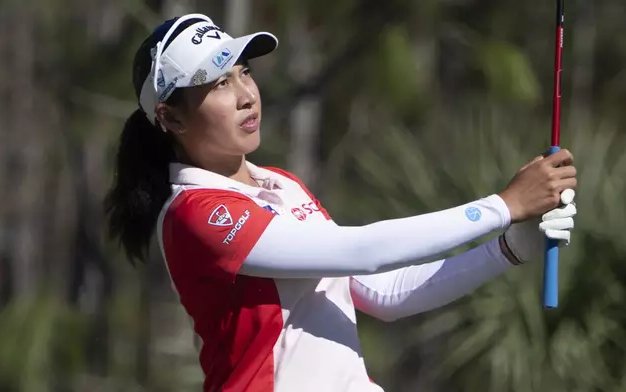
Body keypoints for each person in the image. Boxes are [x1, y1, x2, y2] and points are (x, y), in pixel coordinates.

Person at [103, 13, 578, 392]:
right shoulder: (196, 212)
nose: (247, 95)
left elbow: (384, 295)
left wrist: (508, 248)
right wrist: (504, 205)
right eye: (219, 83)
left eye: (243, 72)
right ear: (170, 117)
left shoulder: (282, 184)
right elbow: (365, 252)